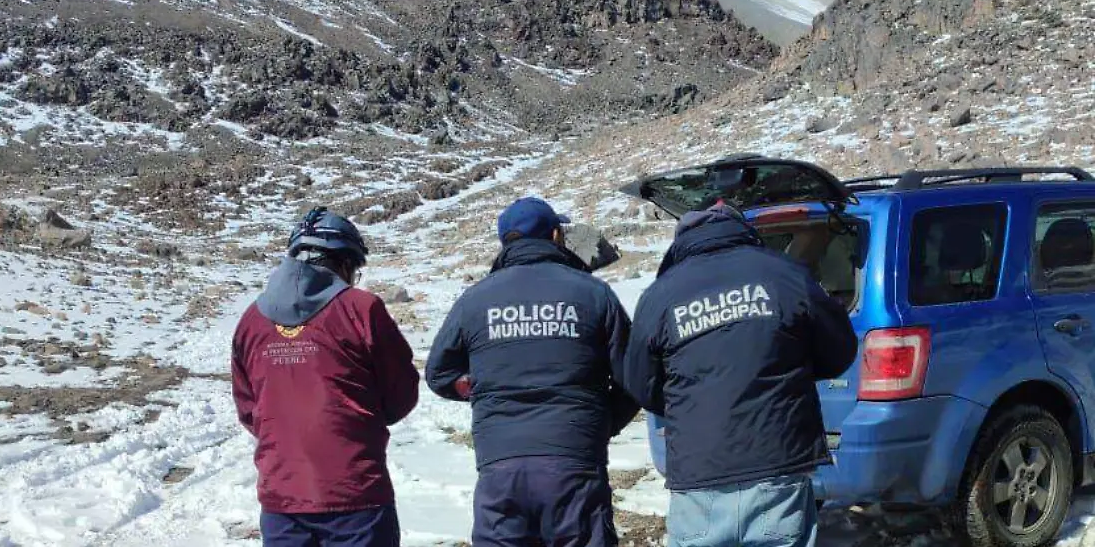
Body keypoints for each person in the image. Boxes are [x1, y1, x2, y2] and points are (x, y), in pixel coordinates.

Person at [623, 202, 857, 547]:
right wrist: (793, 371)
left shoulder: (660, 294)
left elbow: (640, 384)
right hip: (776, 460)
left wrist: (688, 405)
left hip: (699, 471)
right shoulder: (784, 274)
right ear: (743, 230)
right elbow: (840, 350)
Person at [426, 197, 639, 547]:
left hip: (501, 466)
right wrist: (599, 423)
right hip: (574, 461)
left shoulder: (475, 299)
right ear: (555, 235)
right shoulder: (592, 292)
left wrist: (482, 390)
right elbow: (634, 376)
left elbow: (439, 374)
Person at [232, 207, 420, 547]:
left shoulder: (251, 320)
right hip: (355, 495)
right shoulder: (361, 309)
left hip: (282, 498)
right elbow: (401, 393)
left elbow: (249, 409)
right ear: (344, 263)